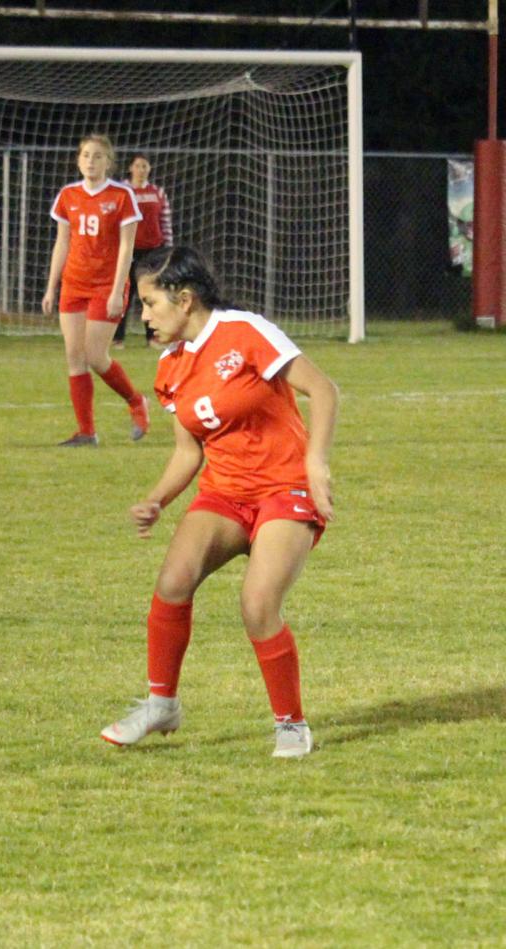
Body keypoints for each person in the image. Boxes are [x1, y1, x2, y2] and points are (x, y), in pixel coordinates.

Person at [99, 246, 338, 759]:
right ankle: (162, 703)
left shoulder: (244, 331)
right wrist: (156, 499)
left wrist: (316, 463)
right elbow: (189, 450)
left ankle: (291, 725)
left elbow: (324, 389)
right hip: (226, 492)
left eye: (149, 302)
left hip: (285, 488)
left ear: (184, 300)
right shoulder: (170, 367)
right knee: (172, 581)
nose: (141, 316)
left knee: (257, 604)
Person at [42, 133, 150, 447]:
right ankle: (86, 432)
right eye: (86, 155)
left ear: (108, 162)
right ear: (78, 160)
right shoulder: (67, 195)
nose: (91, 161)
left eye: (97, 156)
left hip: (106, 284)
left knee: (95, 355)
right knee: (74, 357)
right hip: (74, 283)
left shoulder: (121, 195)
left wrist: (118, 290)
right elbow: (62, 242)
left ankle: (135, 401)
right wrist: (52, 286)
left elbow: (127, 246)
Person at [113, 153, 172, 349]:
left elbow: (165, 222)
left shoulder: (158, 193)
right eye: (138, 166)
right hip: (127, 250)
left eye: (145, 166)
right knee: (124, 294)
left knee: (151, 294)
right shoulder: (121, 190)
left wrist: (168, 249)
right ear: (131, 168)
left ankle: (153, 337)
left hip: (152, 251)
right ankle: (117, 338)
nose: (141, 169)